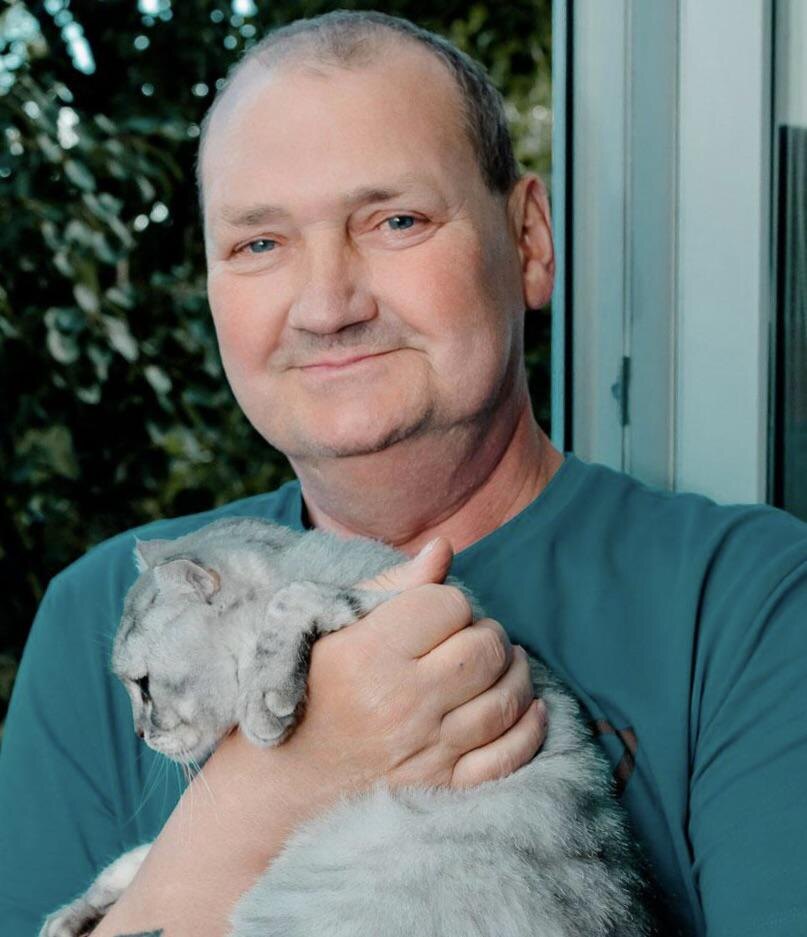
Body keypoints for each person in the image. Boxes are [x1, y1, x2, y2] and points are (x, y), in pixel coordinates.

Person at [2, 10, 806, 937]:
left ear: (529, 241)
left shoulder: (748, 599)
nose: (327, 305)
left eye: (395, 221)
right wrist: (265, 799)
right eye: (259, 243)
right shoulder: (104, 613)